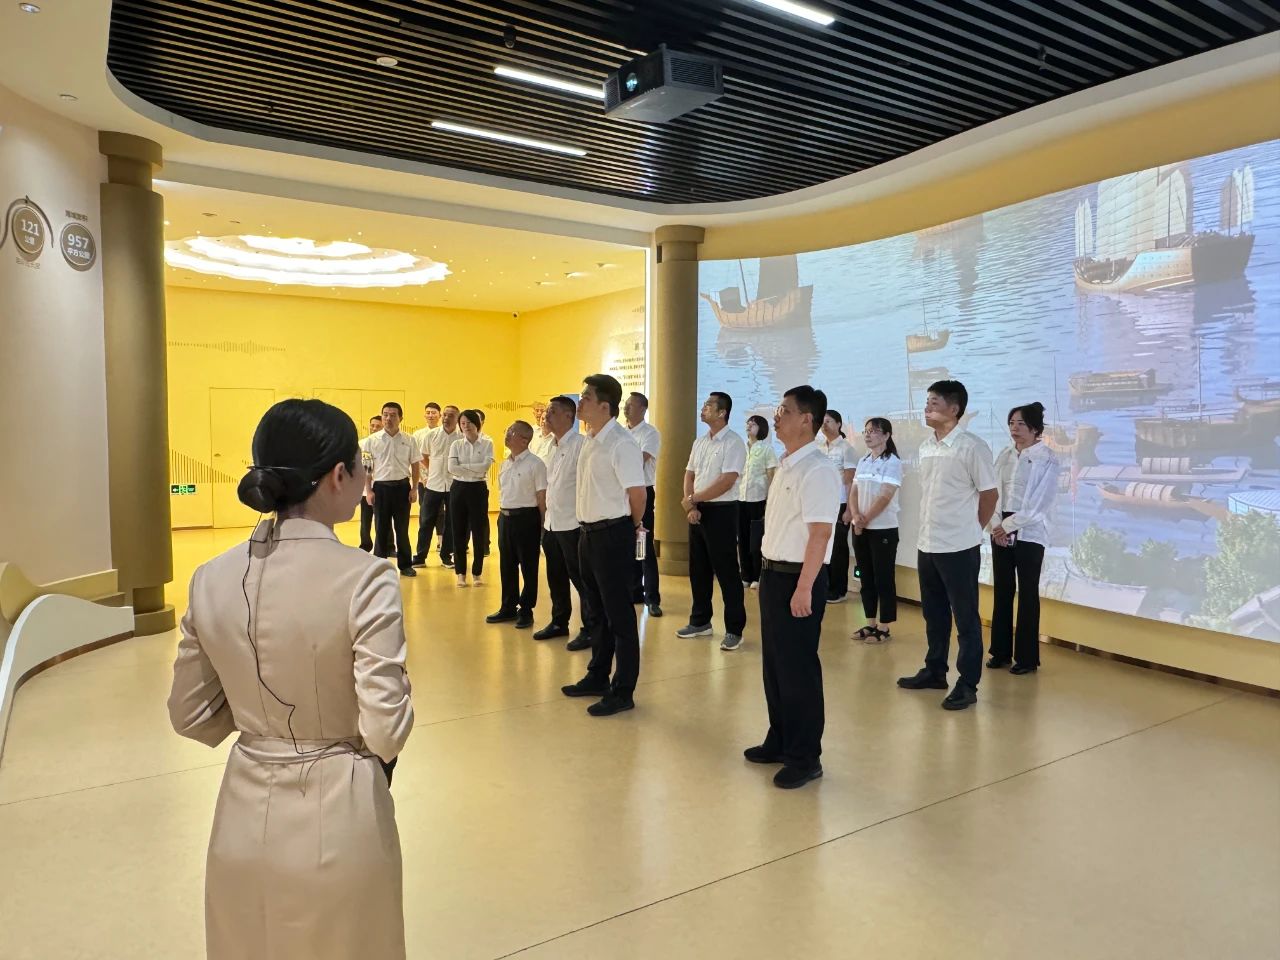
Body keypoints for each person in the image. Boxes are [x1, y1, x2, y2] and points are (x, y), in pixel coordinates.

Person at [168, 398, 413, 959]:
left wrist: (257, 714)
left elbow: (188, 715)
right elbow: (385, 730)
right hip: (340, 810)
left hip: (241, 813)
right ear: (338, 476)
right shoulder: (366, 579)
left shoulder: (210, 577)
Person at [743, 385, 840, 790]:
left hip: (798, 579)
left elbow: (820, 534)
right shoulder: (787, 464)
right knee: (775, 665)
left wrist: (804, 588)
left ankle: (805, 757)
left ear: (807, 420)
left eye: (784, 410)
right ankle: (780, 739)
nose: (776, 416)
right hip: (774, 576)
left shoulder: (818, 469)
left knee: (798, 669)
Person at [898, 380, 998, 710]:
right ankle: (935, 670)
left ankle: (967, 683)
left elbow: (989, 494)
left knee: (965, 618)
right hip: (928, 543)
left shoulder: (971, 447)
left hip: (959, 546)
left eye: (934, 403)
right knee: (934, 614)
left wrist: (972, 530)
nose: (927, 408)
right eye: (927, 402)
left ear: (954, 409)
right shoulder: (926, 447)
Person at [560, 374, 647, 717]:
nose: (579, 402)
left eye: (585, 397)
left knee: (619, 615)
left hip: (613, 534)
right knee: (594, 610)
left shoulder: (621, 444)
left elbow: (637, 494)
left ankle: (623, 690)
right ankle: (597, 675)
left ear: (604, 406)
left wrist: (631, 527)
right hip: (588, 534)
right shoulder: (591, 440)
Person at [988, 402, 1060, 674]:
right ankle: (1000, 652)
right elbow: (993, 492)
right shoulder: (1005, 455)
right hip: (1001, 527)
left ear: (1035, 428)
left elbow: (1041, 502)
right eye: (1011, 423)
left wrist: (1008, 525)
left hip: (1030, 530)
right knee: (1002, 589)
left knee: (1028, 593)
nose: (1014, 428)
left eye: (1020, 424)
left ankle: (1027, 658)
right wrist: (996, 525)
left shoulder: (1047, 458)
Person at [678, 391, 748, 651]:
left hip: (722, 511)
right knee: (699, 569)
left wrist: (693, 499)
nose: (703, 408)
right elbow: (689, 474)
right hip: (698, 509)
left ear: (722, 412)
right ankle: (700, 621)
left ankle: (734, 629)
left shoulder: (733, 442)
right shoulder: (700, 442)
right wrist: (691, 504)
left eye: (709, 405)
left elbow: (727, 481)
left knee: (727, 572)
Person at [535, 395, 596, 651]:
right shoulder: (549, 445)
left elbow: (587, 485)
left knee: (582, 580)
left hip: (573, 524)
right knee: (555, 576)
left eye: (552, 411)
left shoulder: (581, 445)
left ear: (569, 416)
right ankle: (559, 621)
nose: (546, 415)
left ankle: (591, 629)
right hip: (552, 522)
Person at [846, 417, 902, 643]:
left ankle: (884, 626)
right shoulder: (863, 460)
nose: (868, 435)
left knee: (883, 578)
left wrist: (865, 519)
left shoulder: (893, 462)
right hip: (860, 527)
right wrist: (855, 515)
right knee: (866, 577)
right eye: (866, 431)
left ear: (886, 435)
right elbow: (854, 492)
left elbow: (885, 496)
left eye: (874, 431)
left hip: (883, 528)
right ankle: (870, 623)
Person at [487, 420, 547, 630]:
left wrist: (542, 526)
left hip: (526, 519)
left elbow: (541, 497)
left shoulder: (536, 464)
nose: (507, 434)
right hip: (505, 518)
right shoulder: (505, 463)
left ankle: (527, 609)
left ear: (524, 439)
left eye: (512, 432)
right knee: (507, 565)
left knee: (528, 566)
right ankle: (508, 606)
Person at [364, 401, 421, 578]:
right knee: (381, 528)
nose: (388, 418)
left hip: (402, 488)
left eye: (393, 415)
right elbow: (367, 468)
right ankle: (380, 566)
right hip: (380, 489)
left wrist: (414, 489)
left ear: (400, 418)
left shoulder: (409, 440)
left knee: (402, 529)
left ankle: (405, 565)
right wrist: (369, 491)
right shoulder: (371, 441)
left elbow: (415, 465)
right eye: (385, 415)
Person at [625, 391, 663, 616]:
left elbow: (639, 461)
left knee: (644, 545)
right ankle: (634, 592)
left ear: (642, 408)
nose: (626, 407)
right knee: (628, 543)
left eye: (630, 404)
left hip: (642, 492)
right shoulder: (622, 432)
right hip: (623, 493)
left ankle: (652, 598)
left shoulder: (650, 433)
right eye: (626, 404)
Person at [447, 409, 494, 587]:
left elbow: (485, 467)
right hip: (459, 488)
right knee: (458, 531)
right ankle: (460, 573)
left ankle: (477, 573)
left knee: (479, 531)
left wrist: (465, 467)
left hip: (478, 489)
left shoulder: (487, 443)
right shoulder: (456, 444)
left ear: (477, 424)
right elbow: (452, 468)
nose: (466, 426)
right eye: (463, 423)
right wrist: (475, 468)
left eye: (469, 423)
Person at [818, 409, 857, 604]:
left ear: (839, 424)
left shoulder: (846, 448)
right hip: (822, 503)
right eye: (823, 421)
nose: (824, 424)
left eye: (829, 421)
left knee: (838, 548)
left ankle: (838, 589)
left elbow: (850, 481)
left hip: (840, 503)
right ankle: (824, 586)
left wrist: (849, 509)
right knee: (823, 545)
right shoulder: (819, 448)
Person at [414, 403, 459, 568]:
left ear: (457, 418)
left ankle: (446, 556)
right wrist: (432, 469)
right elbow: (423, 456)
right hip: (433, 484)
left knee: (451, 522)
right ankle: (420, 557)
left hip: (454, 485)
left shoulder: (461, 438)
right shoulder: (431, 435)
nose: (446, 418)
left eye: (451, 415)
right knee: (426, 520)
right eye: (445, 415)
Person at [738, 414, 779, 590]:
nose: (749, 425)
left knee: (756, 540)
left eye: (753, 424)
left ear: (761, 428)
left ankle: (757, 575)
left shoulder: (766, 449)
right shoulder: (741, 448)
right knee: (742, 538)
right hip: (741, 499)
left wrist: (770, 500)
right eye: (748, 423)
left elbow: (771, 476)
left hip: (758, 499)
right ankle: (745, 575)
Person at [410, 402, 441, 565]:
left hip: (441, 481)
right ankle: (422, 552)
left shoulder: (444, 433)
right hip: (424, 481)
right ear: (424, 415)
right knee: (426, 513)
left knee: (442, 513)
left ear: (439, 415)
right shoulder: (418, 435)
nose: (430, 415)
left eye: (433, 412)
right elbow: (416, 459)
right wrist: (422, 479)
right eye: (428, 412)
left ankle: (441, 542)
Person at [358, 414, 382, 552]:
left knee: (383, 518)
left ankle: (388, 545)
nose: (374, 428)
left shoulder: (385, 443)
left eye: (378, 426)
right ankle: (365, 544)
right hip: (366, 488)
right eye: (372, 425)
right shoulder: (362, 443)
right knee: (365, 519)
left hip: (382, 485)